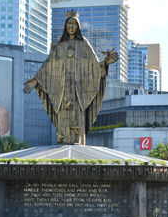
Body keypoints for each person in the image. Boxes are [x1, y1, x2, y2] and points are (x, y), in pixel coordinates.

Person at [24, 10, 118, 145]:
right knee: (63, 119)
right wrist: (36, 79)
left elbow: (94, 67)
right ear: (65, 26)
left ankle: (77, 143)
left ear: (78, 27)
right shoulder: (60, 45)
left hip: (78, 91)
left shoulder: (83, 44)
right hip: (62, 91)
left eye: (74, 24)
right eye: (69, 24)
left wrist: (105, 63)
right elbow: (49, 65)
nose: (72, 27)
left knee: (77, 121)